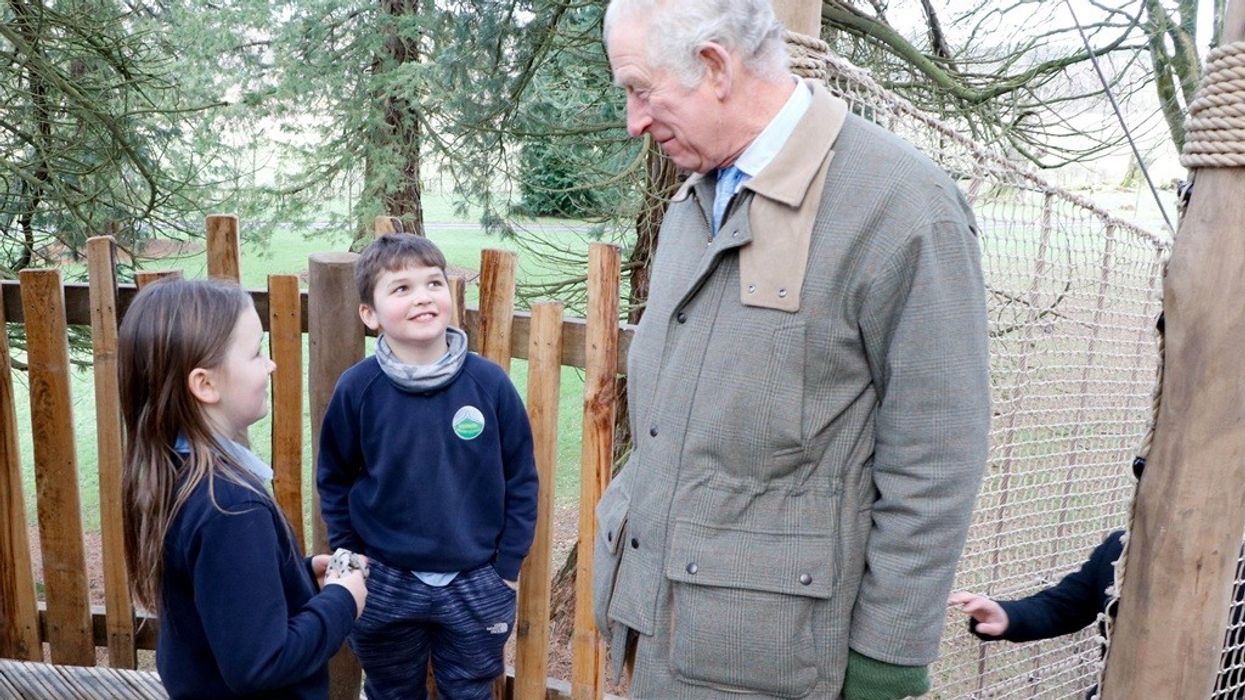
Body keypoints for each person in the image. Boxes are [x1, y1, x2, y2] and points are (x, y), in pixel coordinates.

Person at [592, 1, 991, 698]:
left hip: (781, 663)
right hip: (666, 631)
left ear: (715, 66)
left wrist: (888, 659)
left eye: (640, 90)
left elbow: (935, 452)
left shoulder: (898, 206)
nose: (632, 122)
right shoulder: (700, 195)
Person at [119, 278, 366, 700]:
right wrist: (343, 600)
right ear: (205, 385)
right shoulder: (230, 507)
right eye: (254, 353)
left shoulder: (178, 475)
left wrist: (298, 575)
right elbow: (261, 664)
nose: (270, 365)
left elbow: (221, 599)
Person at [317, 233, 539, 700]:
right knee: (390, 691)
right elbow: (335, 479)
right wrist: (352, 557)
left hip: (477, 579)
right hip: (385, 580)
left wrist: (506, 567)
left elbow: (521, 478)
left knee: (471, 692)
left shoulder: (489, 384)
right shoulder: (358, 389)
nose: (422, 296)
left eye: (433, 283)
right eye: (401, 288)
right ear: (370, 315)